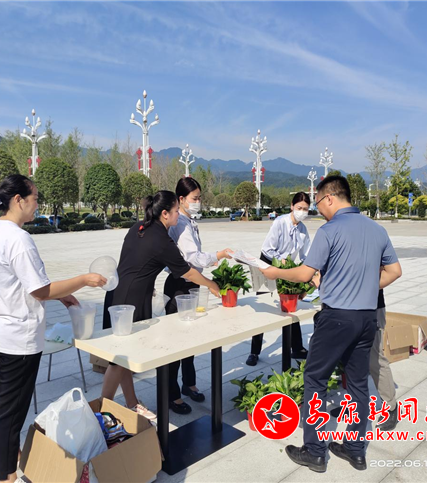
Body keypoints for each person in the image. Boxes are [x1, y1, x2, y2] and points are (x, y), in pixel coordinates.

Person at [262, 175, 401, 473]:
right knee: (359, 383)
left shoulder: (330, 230)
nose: (317, 211)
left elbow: (304, 273)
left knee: (315, 379)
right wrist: (364, 286)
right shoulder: (377, 230)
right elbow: (394, 271)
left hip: (337, 317)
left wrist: (275, 272)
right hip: (366, 317)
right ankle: (355, 449)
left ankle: (315, 451)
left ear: (329, 198)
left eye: (317, 204)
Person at [0, 175, 107, 483]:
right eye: (35, 198)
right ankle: (6, 475)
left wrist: (60, 294)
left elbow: (26, 283)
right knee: (11, 413)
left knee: (9, 408)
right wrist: (84, 280)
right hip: (18, 338)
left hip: (3, 330)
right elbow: (39, 290)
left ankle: (11, 459)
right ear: (19, 200)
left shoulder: (1, 230)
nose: (38, 203)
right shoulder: (18, 238)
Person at [101, 190, 220, 419]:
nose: (178, 215)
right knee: (117, 361)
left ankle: (132, 402)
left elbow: (135, 262)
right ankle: (101, 411)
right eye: (175, 211)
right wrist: (211, 284)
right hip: (132, 300)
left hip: (116, 293)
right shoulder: (162, 240)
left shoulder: (138, 227)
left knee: (122, 356)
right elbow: (187, 272)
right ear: (165, 213)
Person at [165, 177, 234, 414]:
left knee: (190, 338)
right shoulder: (180, 224)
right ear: (181, 199)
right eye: (194, 198)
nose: (198, 202)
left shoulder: (189, 221)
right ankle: (172, 394)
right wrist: (219, 255)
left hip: (191, 283)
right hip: (179, 285)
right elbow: (192, 257)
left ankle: (189, 383)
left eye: (199, 197)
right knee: (176, 341)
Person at [246, 192, 312, 367]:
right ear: (292, 206)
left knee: (290, 306)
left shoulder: (303, 230)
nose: (302, 212)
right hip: (268, 263)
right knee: (263, 307)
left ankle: (296, 347)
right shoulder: (280, 222)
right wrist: (281, 261)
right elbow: (267, 249)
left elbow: (306, 255)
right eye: (299, 208)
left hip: (287, 268)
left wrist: (308, 273)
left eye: (305, 209)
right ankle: (254, 351)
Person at [329, 287, 399, 431]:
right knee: (351, 358)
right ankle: (356, 404)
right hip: (347, 306)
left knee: (375, 359)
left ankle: (391, 407)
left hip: (371, 306)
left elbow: (394, 274)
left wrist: (365, 283)